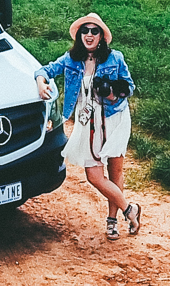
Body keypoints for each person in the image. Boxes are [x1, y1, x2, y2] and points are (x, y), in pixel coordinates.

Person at [36, 13, 141, 240]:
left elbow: (129, 86)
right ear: (79, 35)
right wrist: (40, 83)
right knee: (94, 175)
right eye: (85, 31)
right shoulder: (71, 60)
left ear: (102, 36)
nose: (90, 35)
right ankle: (130, 209)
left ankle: (112, 221)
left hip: (114, 119)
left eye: (95, 31)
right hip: (88, 124)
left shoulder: (115, 58)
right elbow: (45, 70)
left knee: (115, 171)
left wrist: (112, 91)